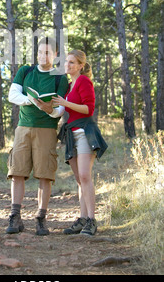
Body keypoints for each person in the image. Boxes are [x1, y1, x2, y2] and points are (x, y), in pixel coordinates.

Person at [6, 37, 68, 236]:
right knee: (17, 171)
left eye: (48, 53)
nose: (43, 56)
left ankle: (41, 218)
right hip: (23, 128)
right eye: (40, 52)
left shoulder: (60, 78)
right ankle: (15, 216)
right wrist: (31, 101)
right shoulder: (26, 71)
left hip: (47, 130)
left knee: (44, 175)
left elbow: (60, 110)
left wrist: (48, 109)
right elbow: (12, 95)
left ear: (56, 55)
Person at [53, 49, 107, 236]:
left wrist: (66, 104)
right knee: (78, 179)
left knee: (85, 176)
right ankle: (83, 218)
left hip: (85, 132)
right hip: (71, 134)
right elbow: (63, 108)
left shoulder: (84, 81)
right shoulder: (69, 85)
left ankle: (92, 220)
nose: (68, 65)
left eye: (72, 63)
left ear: (81, 66)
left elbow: (88, 109)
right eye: (67, 62)